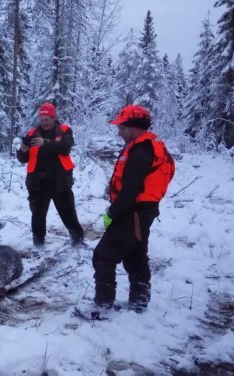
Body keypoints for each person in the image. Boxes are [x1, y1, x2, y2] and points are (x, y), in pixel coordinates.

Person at [92, 105, 175, 312]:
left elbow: (131, 188)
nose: (119, 132)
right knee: (134, 254)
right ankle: (139, 301)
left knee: (103, 255)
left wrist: (113, 212)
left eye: (122, 127)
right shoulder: (147, 145)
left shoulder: (141, 150)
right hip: (141, 211)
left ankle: (103, 304)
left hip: (133, 212)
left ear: (133, 127)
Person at [16, 102, 84, 246]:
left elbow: (66, 148)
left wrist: (45, 142)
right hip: (38, 184)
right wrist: (22, 150)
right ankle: (38, 243)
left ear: (54, 117)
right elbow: (22, 159)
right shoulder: (32, 134)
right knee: (38, 216)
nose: (44, 122)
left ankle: (77, 239)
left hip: (60, 183)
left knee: (68, 214)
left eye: (47, 119)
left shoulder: (65, 131)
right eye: (42, 120)